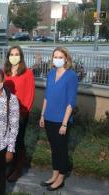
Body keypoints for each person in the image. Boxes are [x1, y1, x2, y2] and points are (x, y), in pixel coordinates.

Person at [39, 47, 78, 191]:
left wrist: (64, 123)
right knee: (54, 148)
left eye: (60, 57)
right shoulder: (51, 74)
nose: (57, 59)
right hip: (49, 117)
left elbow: (70, 102)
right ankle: (54, 175)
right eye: (55, 56)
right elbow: (47, 97)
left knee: (61, 149)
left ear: (66, 59)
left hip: (62, 120)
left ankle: (61, 177)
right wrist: (42, 115)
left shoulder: (71, 76)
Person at [3, 45, 35, 182]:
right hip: (6, 112)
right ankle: (10, 165)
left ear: (21, 57)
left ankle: (18, 168)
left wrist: (23, 113)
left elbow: (30, 94)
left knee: (18, 140)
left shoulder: (27, 73)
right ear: (8, 56)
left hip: (21, 113)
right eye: (11, 54)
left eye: (17, 54)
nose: (14, 56)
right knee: (9, 140)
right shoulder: (5, 72)